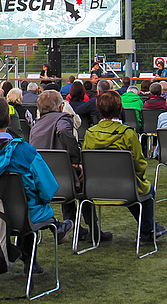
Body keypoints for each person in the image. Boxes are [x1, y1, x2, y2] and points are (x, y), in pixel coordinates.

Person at [0, 95, 74, 276]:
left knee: (26, 205)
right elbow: (48, 190)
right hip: (23, 215)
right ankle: (31, 260)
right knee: (31, 204)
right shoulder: (25, 152)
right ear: (9, 120)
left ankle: (31, 257)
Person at [83, 91, 167, 243]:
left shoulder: (90, 133)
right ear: (120, 109)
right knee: (147, 190)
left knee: (137, 187)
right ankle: (147, 231)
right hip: (125, 187)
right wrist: (137, 177)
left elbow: (86, 161)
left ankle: (148, 229)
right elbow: (139, 163)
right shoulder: (128, 133)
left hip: (95, 188)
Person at [29, 90, 110, 242]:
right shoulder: (62, 119)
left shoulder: (35, 127)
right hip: (64, 182)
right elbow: (65, 131)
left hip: (42, 183)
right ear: (61, 107)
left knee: (70, 177)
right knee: (82, 182)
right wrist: (75, 159)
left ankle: (75, 227)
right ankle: (93, 229)